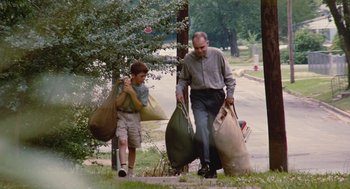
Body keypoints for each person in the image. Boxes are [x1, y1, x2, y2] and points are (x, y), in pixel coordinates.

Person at [175, 31, 236, 178]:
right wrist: (178, 91)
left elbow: (229, 78)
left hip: (216, 96)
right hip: (198, 97)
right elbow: (183, 79)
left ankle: (213, 168)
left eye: (202, 47)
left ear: (207, 43)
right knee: (201, 128)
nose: (199, 51)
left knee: (215, 132)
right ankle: (205, 163)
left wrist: (230, 95)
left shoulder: (217, 54)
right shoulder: (189, 59)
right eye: (196, 48)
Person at [115, 61, 149, 177]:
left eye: (145, 76)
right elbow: (118, 104)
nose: (144, 78)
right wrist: (126, 90)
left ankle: (130, 172)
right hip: (121, 115)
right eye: (141, 76)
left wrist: (132, 93)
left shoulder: (144, 89)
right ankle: (122, 168)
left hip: (134, 116)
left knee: (132, 146)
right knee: (122, 140)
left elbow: (139, 106)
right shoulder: (123, 85)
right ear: (133, 75)